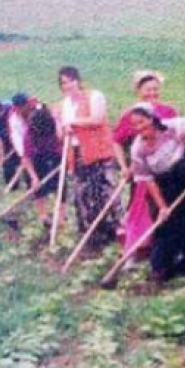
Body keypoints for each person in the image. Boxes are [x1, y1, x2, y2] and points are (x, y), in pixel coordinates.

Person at [128, 105, 185, 283]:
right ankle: (161, 270)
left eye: (141, 122)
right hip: (166, 185)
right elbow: (148, 180)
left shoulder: (173, 127)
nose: (139, 127)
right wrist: (162, 206)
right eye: (134, 125)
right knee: (167, 225)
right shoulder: (138, 148)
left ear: (152, 119)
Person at [113, 71, 179, 264]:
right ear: (138, 91)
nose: (152, 93)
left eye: (155, 89)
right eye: (147, 90)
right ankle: (134, 250)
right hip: (142, 170)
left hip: (167, 171)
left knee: (167, 208)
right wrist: (124, 167)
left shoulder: (169, 112)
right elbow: (116, 140)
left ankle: (163, 251)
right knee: (139, 209)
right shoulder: (131, 115)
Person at [56, 66, 122, 252]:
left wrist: (73, 123)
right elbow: (61, 130)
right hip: (76, 153)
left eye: (70, 81)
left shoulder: (95, 96)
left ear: (78, 81)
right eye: (63, 82)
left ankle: (119, 231)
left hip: (99, 151)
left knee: (107, 191)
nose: (67, 85)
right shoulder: (63, 105)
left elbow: (97, 119)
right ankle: (92, 235)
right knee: (82, 194)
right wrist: (63, 129)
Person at [21, 103, 66, 228]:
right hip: (37, 159)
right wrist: (34, 177)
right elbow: (26, 158)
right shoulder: (29, 133)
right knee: (38, 189)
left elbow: (61, 138)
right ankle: (44, 216)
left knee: (60, 187)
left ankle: (61, 219)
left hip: (55, 156)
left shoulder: (53, 126)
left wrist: (57, 120)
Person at [0, 100, 20, 189]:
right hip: (5, 140)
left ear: (1, 109)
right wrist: (2, 157)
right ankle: (12, 186)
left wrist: (16, 143)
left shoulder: (11, 110)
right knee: (7, 163)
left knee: (23, 160)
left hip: (17, 136)